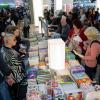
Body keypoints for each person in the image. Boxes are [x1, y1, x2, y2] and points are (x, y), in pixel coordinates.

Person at [1, 33, 27, 100]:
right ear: (8, 41)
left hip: (15, 78)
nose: (16, 41)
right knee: (18, 96)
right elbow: (14, 67)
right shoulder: (7, 53)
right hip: (16, 79)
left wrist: (20, 55)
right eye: (14, 39)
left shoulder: (6, 49)